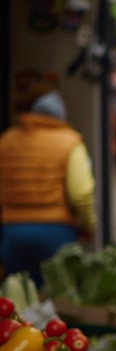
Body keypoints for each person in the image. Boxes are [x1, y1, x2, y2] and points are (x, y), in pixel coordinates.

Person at [0, 80, 97, 288]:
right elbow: (81, 193)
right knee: (59, 299)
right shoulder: (70, 141)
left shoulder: (6, 140)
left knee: (17, 300)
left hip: (12, 232)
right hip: (56, 233)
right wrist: (89, 223)